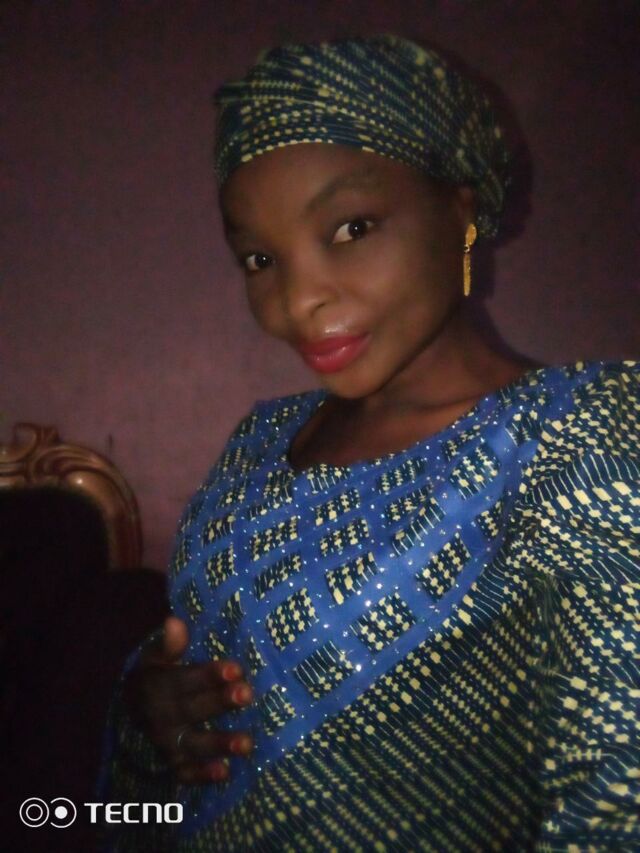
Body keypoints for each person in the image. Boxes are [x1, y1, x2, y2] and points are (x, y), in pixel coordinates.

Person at [98, 34, 639, 852]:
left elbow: (617, 795)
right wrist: (156, 703)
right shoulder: (261, 437)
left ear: (461, 210)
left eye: (352, 227)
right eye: (259, 258)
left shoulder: (577, 436)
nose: (299, 300)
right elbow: (223, 653)